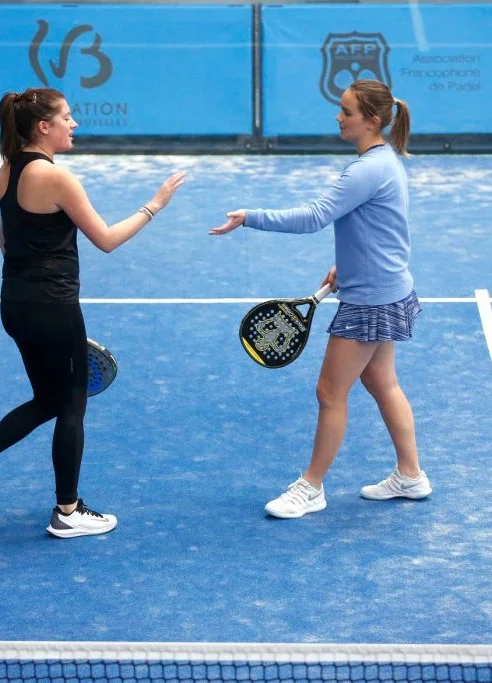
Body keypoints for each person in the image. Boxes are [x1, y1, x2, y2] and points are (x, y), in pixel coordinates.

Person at [0, 87, 186, 537]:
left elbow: (4, 242)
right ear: (44, 127)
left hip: (14, 304)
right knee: (72, 404)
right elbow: (107, 239)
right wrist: (156, 205)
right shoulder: (56, 177)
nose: (74, 124)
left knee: (49, 400)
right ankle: (68, 512)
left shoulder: (7, 170)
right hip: (53, 308)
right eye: (68, 118)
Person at [210, 79, 429, 519]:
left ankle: (311, 487)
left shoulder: (366, 170)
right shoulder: (384, 161)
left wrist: (250, 217)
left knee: (330, 393)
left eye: (346, 111)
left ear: (370, 120)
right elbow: (378, 230)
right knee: (381, 382)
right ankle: (411, 475)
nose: (338, 117)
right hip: (387, 286)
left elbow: (314, 217)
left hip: (370, 300)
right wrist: (349, 267)